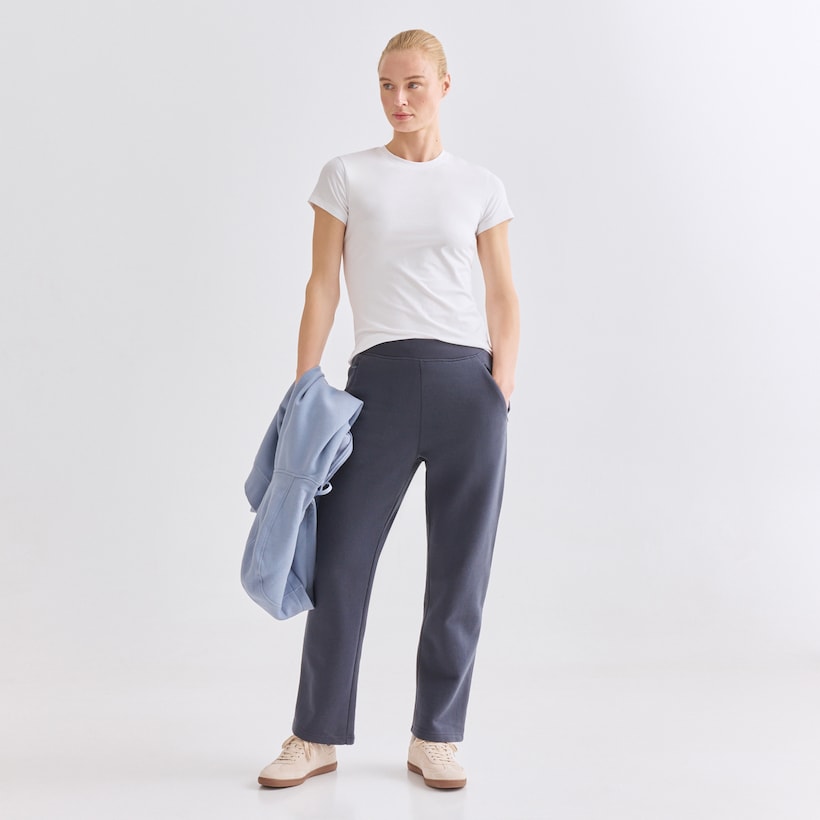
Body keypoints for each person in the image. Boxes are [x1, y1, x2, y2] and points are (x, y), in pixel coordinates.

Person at [257, 28, 520, 791]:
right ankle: (315, 735)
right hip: (376, 383)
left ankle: (436, 736)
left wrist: (501, 389)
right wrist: (305, 386)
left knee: (460, 572)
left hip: (469, 387)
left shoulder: (480, 186)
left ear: (444, 86)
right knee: (340, 563)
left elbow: (503, 294)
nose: (398, 100)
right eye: (385, 85)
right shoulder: (346, 175)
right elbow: (321, 285)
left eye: (412, 84)